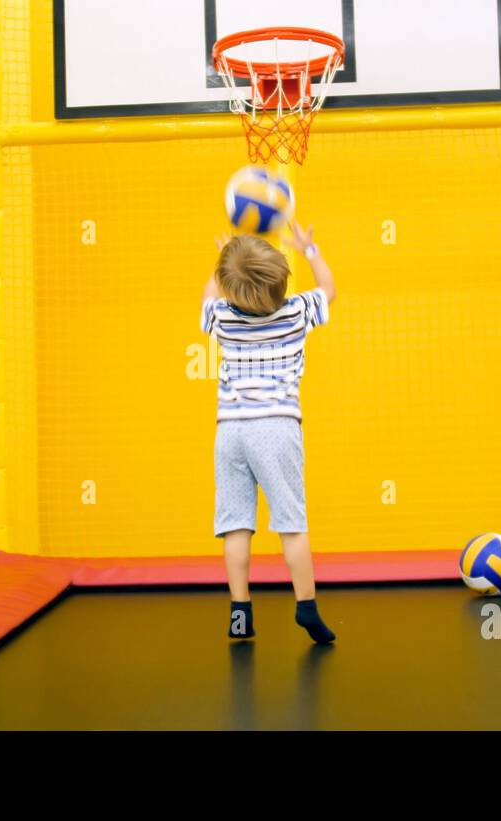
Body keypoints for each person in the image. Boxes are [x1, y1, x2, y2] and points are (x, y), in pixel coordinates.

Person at [199, 220, 337, 644]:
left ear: (228, 287)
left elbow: (208, 295)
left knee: (236, 524)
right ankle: (306, 606)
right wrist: (310, 250)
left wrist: (221, 263)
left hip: (231, 434)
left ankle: (240, 612)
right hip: (276, 430)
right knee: (291, 524)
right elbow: (329, 290)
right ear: (281, 283)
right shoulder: (296, 313)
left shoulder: (221, 317)